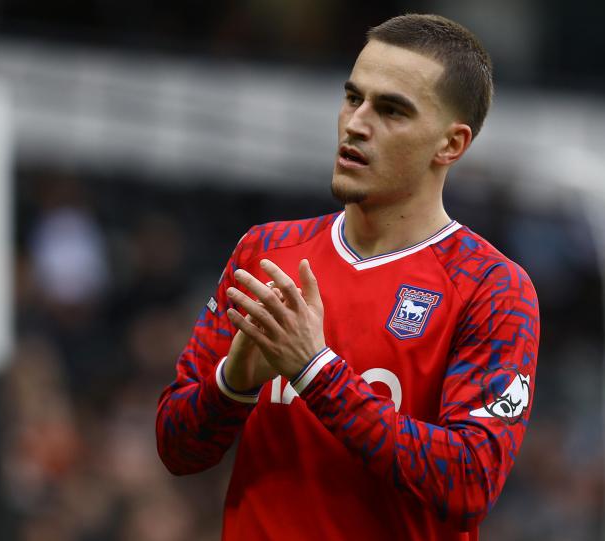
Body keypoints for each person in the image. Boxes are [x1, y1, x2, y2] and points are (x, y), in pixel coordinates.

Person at [156, 13, 540, 541]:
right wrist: (231, 386)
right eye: (353, 98)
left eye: (391, 110)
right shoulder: (266, 252)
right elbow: (177, 449)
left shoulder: (492, 288)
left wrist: (314, 371)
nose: (356, 123)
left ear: (450, 145)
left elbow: (469, 483)